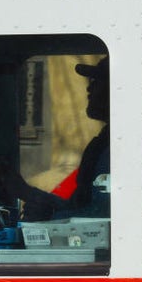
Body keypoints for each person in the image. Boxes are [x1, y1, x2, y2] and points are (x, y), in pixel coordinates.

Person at [20, 56, 110, 220]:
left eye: (98, 81)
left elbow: (102, 215)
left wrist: (52, 216)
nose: (89, 88)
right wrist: (22, 190)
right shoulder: (101, 144)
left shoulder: (117, 149)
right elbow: (78, 206)